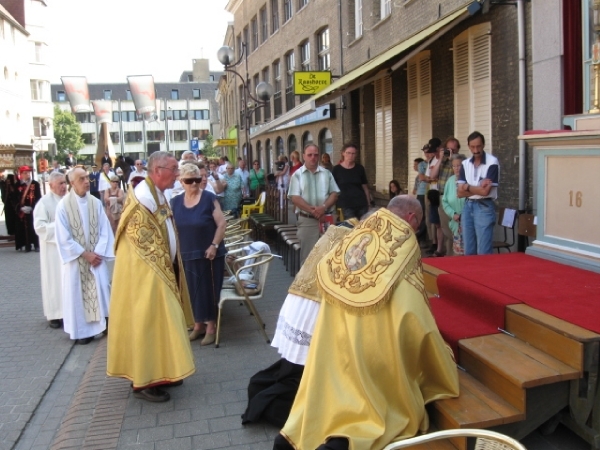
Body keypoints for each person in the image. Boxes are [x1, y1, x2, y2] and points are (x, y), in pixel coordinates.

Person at [273, 196, 459, 450]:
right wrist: (437, 353)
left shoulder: (356, 231)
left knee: (331, 394)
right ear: (412, 218)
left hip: (333, 337)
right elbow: (413, 311)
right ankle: (344, 442)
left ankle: (292, 439)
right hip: (373, 347)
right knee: (378, 407)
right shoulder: (404, 242)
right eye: (419, 224)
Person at [243, 217, 359, 428]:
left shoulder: (337, 232)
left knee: (293, 368)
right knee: (299, 374)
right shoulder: (354, 240)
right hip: (311, 312)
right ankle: (274, 407)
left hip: (298, 305)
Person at [107, 151, 195, 403]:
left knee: (163, 323)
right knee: (148, 324)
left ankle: (165, 373)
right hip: (146, 275)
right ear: (157, 171)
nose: (177, 174)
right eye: (173, 169)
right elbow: (144, 245)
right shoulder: (144, 197)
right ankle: (144, 380)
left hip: (160, 270)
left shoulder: (157, 193)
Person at [54, 167, 114, 345]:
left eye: (87, 178)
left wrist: (98, 252)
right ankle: (82, 332)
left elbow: (105, 230)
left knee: (102, 289)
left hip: (96, 259)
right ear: (72, 183)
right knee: (78, 295)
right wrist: (85, 254)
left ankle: (105, 324)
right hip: (77, 262)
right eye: (81, 179)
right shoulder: (63, 206)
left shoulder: (95, 203)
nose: (87, 181)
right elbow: (63, 238)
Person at [171, 163, 226, 346]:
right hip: (187, 253)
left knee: (208, 291)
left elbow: (221, 224)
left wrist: (214, 245)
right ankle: (197, 325)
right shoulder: (175, 201)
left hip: (209, 253)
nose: (194, 184)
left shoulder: (209, 198)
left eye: (196, 179)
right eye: (189, 180)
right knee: (192, 291)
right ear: (181, 181)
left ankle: (211, 327)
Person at [288, 144, 340, 265]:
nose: (313, 157)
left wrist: (323, 207)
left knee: (328, 257)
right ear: (303, 156)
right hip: (307, 221)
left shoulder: (327, 173)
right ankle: (305, 284)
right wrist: (314, 211)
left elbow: (334, 194)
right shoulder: (297, 175)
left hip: (326, 220)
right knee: (308, 260)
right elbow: (295, 198)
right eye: (310, 155)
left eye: (316, 155)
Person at [33, 172, 68, 329]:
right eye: (60, 183)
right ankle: (54, 314)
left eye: (64, 183)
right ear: (51, 185)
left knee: (66, 282)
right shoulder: (44, 203)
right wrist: (58, 227)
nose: (63, 186)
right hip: (52, 251)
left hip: (67, 250)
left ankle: (67, 312)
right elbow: (40, 227)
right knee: (53, 281)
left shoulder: (68, 200)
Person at [457, 131, 499, 255]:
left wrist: (467, 186)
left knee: (483, 251)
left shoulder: (492, 162)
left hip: (484, 206)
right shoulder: (465, 164)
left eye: (478, 146)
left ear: (483, 145)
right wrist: (478, 188)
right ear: (469, 146)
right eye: (473, 147)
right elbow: (459, 193)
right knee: (468, 250)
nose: (476, 150)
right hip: (468, 205)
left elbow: (486, 192)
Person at [429, 137, 461, 256]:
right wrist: (442, 157)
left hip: (455, 199)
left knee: (455, 230)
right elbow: (432, 175)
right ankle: (448, 253)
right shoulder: (442, 161)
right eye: (448, 149)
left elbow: (460, 174)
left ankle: (452, 255)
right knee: (444, 228)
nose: (450, 151)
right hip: (443, 198)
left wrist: (453, 159)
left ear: (458, 149)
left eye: (453, 149)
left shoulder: (460, 162)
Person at [332, 143, 371, 220]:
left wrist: (369, 205)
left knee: (363, 228)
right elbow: (333, 190)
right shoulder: (336, 170)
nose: (350, 155)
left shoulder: (360, 168)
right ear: (343, 153)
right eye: (348, 153)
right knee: (350, 228)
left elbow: (365, 188)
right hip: (345, 205)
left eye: (353, 153)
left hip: (361, 204)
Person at [442, 154, 467, 256]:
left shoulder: (469, 180)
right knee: (457, 255)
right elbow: (445, 201)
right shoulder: (450, 181)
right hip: (455, 223)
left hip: (468, 223)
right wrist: (453, 214)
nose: (457, 168)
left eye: (459, 165)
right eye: (454, 166)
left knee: (470, 255)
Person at [14, 166, 41, 252]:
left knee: (33, 227)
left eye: (28, 173)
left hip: (32, 210)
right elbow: (14, 198)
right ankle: (26, 244)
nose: (27, 174)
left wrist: (32, 207)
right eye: (25, 173)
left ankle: (36, 245)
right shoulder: (17, 185)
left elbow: (38, 197)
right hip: (22, 210)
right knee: (23, 228)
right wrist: (20, 207)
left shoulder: (35, 184)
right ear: (21, 174)